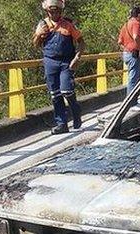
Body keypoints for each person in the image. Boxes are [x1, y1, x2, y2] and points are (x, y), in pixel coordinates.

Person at [32, 0, 86, 134]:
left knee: (66, 90)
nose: (54, 14)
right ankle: (62, 124)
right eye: (51, 11)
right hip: (50, 61)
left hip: (66, 62)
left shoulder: (68, 25)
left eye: (57, 11)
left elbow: (81, 43)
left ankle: (75, 111)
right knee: (55, 94)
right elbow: (35, 44)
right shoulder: (43, 25)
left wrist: (76, 58)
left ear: (61, 12)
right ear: (47, 12)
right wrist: (39, 34)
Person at [118, 6, 140, 105]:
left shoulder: (125, 25)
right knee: (133, 79)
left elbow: (120, 41)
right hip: (134, 54)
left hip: (127, 53)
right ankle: (131, 102)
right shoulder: (136, 23)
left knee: (131, 77)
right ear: (138, 15)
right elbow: (136, 37)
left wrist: (127, 49)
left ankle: (131, 101)